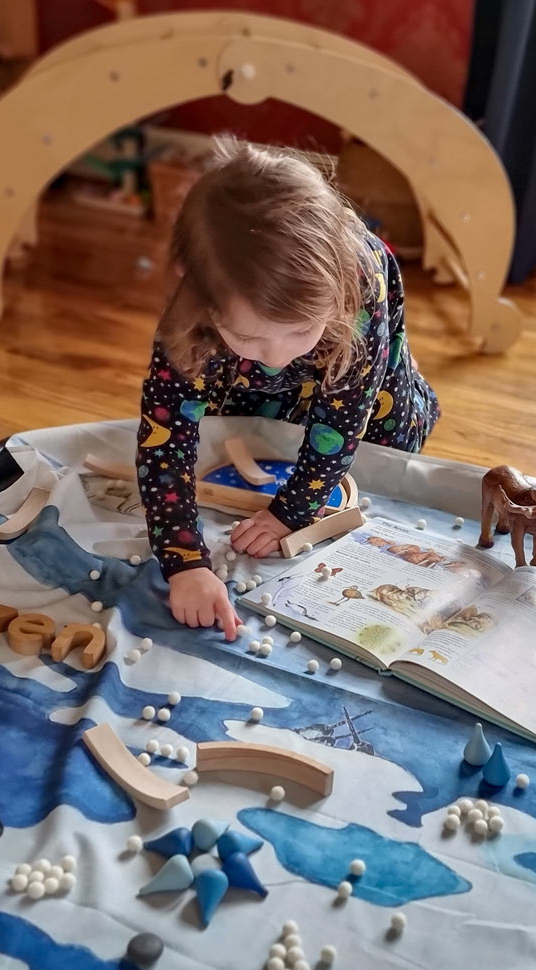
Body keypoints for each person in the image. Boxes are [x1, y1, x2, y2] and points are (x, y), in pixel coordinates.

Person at [136, 138, 440, 638]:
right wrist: (185, 561)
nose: (278, 355)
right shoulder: (192, 313)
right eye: (251, 335)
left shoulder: (357, 283)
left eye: (300, 332)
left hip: (362, 371)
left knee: (378, 447)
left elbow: (342, 423)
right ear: (200, 295)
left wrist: (290, 512)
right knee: (255, 418)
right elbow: (164, 443)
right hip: (252, 378)